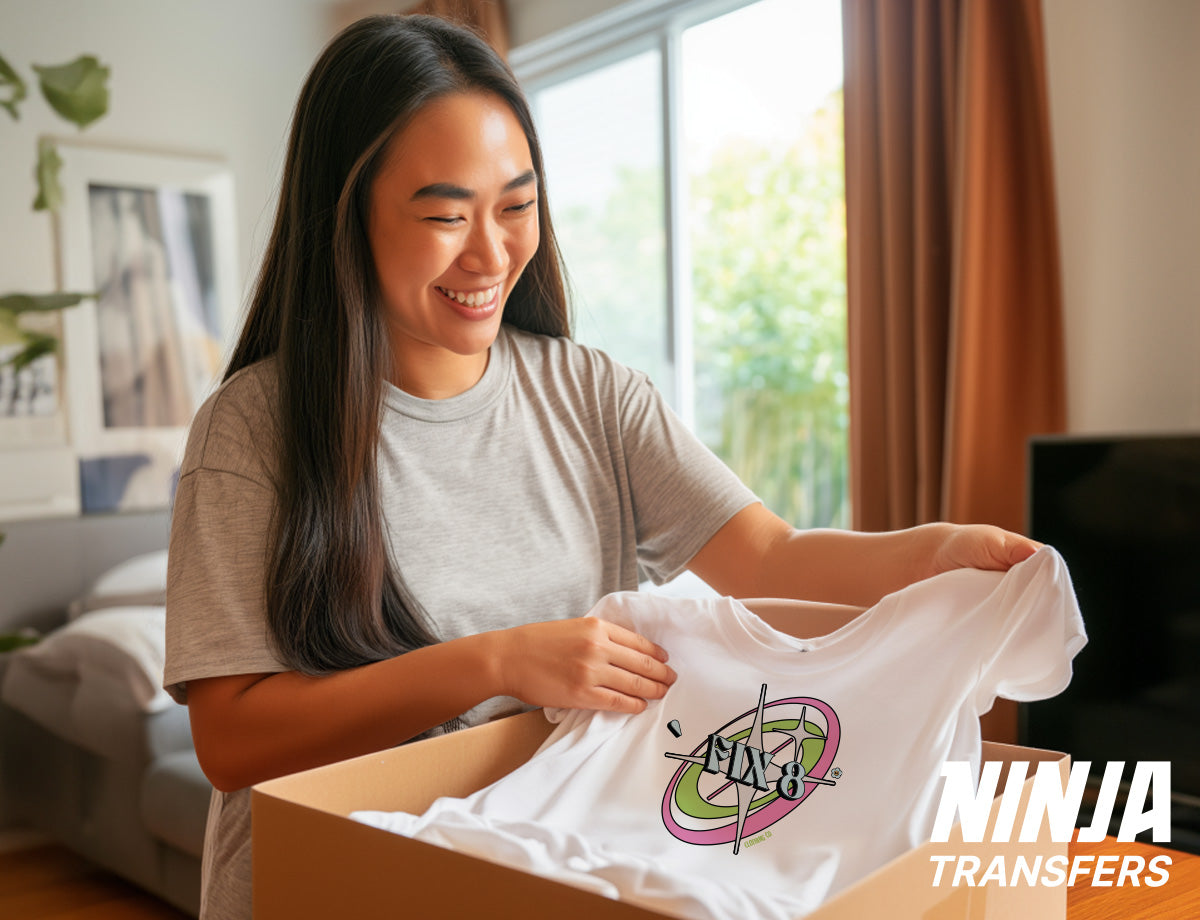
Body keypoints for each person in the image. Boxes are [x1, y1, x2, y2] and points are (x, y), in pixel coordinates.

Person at [163, 13, 1039, 919]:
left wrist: (926, 554)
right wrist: (498, 661)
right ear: (347, 217)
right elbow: (231, 740)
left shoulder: (594, 396)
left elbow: (768, 558)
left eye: (516, 206)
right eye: (445, 215)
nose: (491, 254)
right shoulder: (254, 430)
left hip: (537, 881)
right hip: (332, 881)